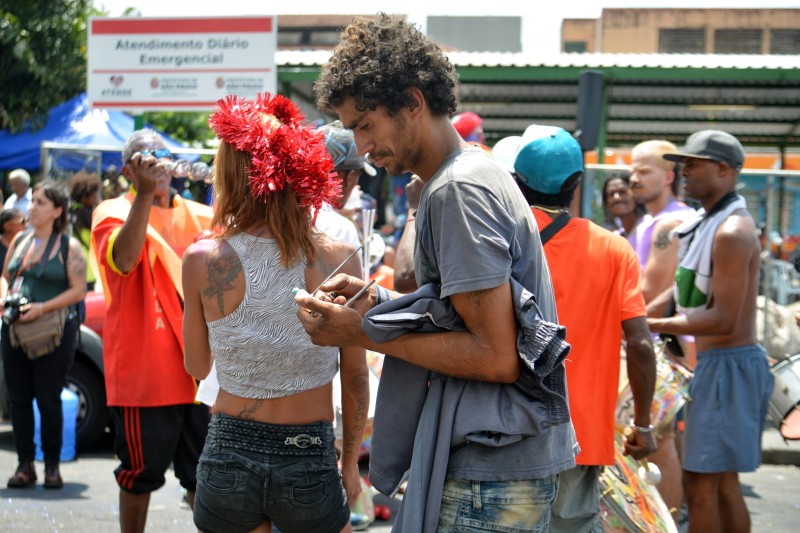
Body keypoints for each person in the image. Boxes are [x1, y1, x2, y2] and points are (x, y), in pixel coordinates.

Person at [296, 15, 577, 532]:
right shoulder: (463, 174)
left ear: (411, 102)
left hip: (489, 476)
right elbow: (460, 315)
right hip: (494, 467)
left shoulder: (457, 191)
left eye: (364, 124)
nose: (361, 147)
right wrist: (377, 300)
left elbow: (496, 358)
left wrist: (361, 332)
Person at [182, 93, 369, 533]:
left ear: (228, 175)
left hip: (228, 449)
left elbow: (196, 365)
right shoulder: (340, 258)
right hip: (308, 452)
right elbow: (355, 375)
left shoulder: (201, 260)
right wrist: (349, 463)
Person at [510, 125, 656, 531]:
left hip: (504, 426)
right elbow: (641, 344)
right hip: (581, 432)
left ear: (518, 182)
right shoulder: (613, 249)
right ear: (577, 183)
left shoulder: (502, 240)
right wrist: (643, 426)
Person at [648, 130, 774, 533]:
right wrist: (633, 313)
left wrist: (648, 325)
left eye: (694, 164)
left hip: (729, 366)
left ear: (724, 170)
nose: (683, 171)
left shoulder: (732, 231)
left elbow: (724, 319)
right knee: (719, 485)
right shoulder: (705, 224)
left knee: (702, 485)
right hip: (717, 365)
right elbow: (679, 291)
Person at [90, 129, 213, 533]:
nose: (156, 161)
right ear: (128, 169)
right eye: (144, 156)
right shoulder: (111, 209)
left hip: (201, 374)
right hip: (146, 373)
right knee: (138, 475)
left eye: (161, 153)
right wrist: (143, 195)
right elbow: (123, 259)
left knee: (204, 476)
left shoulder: (201, 214)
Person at [1, 181, 87, 489]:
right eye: (33, 200)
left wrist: (41, 308)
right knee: (18, 399)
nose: (32, 206)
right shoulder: (21, 240)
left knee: (48, 399)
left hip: (53, 331)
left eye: (40, 202)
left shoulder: (69, 246)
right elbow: (5, 276)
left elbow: (78, 290)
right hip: (15, 331)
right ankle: (25, 466)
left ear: (57, 211)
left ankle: (51, 467)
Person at [629, 140, 696, 303]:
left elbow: (650, 293)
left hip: (654, 327)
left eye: (644, 172)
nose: (634, 179)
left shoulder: (671, 223)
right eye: (632, 171)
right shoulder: (647, 220)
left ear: (668, 177)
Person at [67, 172, 102, 291]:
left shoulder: (71, 211)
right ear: (84, 198)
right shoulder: (86, 214)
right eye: (93, 196)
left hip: (72, 262)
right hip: (88, 267)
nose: (95, 199)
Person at [602, 171, 645, 239]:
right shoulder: (615, 238)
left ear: (635, 194)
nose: (616, 198)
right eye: (611, 194)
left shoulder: (650, 228)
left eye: (622, 192)